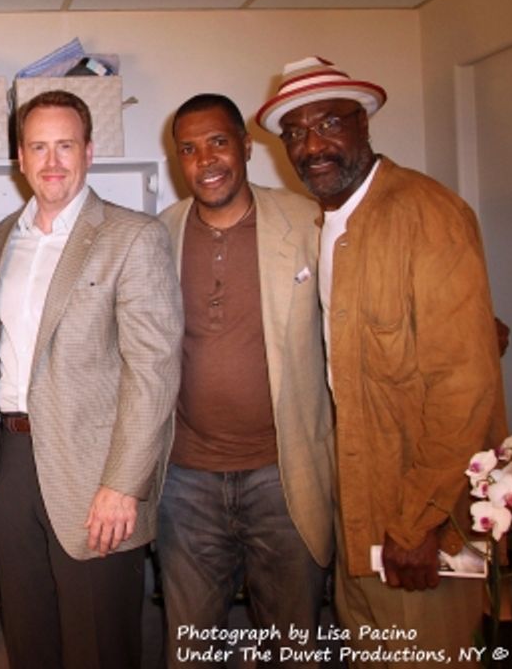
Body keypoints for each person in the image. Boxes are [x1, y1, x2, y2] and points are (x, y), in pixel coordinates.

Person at [257, 56, 507, 663]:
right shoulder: (329, 225)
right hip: (360, 505)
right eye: (295, 131)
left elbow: (464, 385)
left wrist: (421, 523)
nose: (312, 145)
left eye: (328, 124)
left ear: (363, 124)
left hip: (420, 515)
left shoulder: (426, 214)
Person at [0, 90, 183, 668]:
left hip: (98, 470)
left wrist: (124, 483)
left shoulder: (133, 236)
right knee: (28, 635)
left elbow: (154, 369)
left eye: (65, 146)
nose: (52, 162)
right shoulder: (2, 239)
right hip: (15, 462)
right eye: (38, 147)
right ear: (19, 158)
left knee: (99, 645)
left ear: (89, 152)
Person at [157, 93, 333, 666]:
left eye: (217, 142)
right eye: (189, 148)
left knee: (293, 643)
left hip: (282, 474)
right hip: (186, 480)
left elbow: (358, 315)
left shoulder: (308, 223)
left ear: (245, 147)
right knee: (192, 649)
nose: (205, 159)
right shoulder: (158, 237)